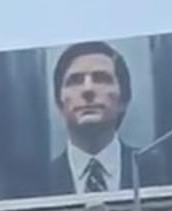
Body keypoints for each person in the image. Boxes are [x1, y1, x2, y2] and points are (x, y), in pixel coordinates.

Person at [48, 41, 164, 196]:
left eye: (101, 78)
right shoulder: (38, 181)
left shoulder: (157, 171)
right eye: (75, 81)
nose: (88, 89)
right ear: (59, 102)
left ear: (123, 98)